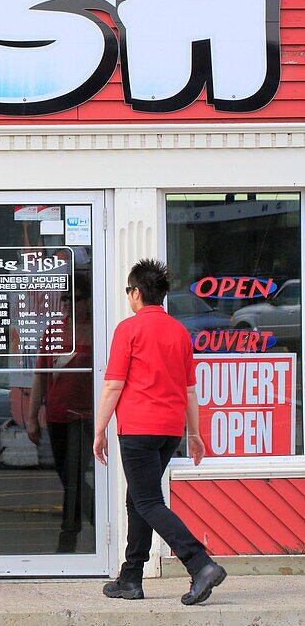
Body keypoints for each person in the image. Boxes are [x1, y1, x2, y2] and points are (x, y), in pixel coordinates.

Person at [93, 259, 226, 605]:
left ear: (136, 293)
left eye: (128, 291)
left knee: (148, 501)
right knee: (138, 499)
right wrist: (194, 434)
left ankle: (200, 564)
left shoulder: (129, 329)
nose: (128, 297)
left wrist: (99, 429)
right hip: (169, 430)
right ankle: (131, 578)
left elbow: (112, 385)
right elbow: (190, 390)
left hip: (137, 428)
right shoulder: (179, 332)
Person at [27, 276, 94, 553]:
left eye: (74, 298)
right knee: (68, 478)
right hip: (56, 416)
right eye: (65, 299)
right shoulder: (54, 331)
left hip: (84, 416)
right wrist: (33, 417)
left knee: (74, 478)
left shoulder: (95, 330)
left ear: (88, 301)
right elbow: (40, 376)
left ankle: (68, 539)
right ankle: (102, 518)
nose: (68, 304)